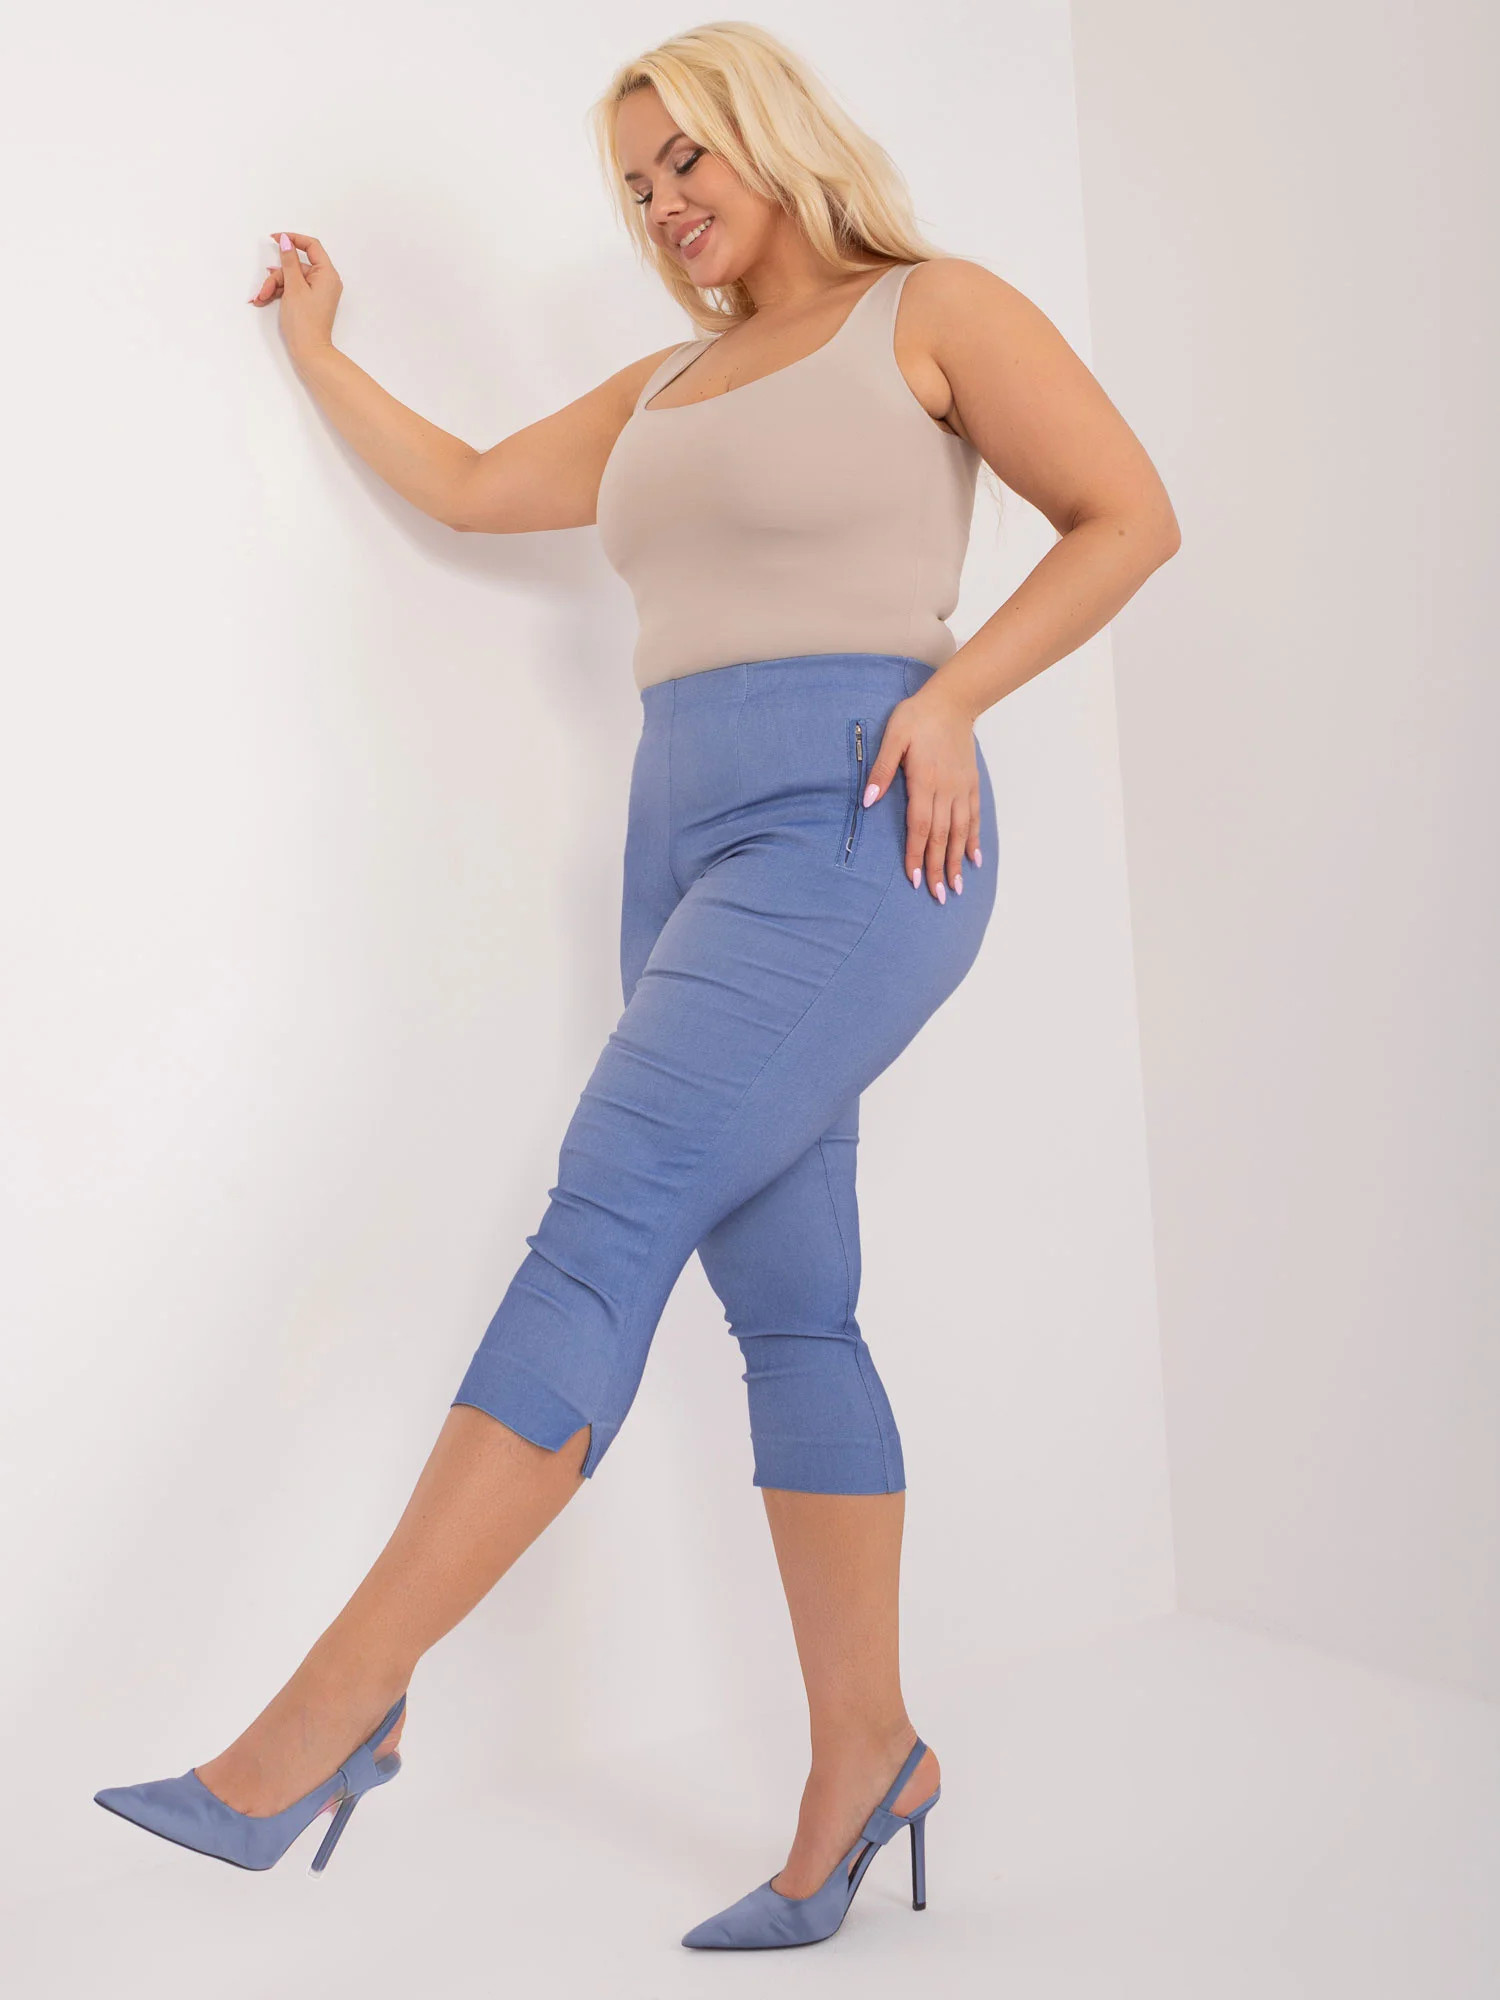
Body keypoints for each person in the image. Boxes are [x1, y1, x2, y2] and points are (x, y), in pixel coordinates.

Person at [92, 20, 1179, 1950]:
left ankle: (329, 1715)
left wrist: (955, 695)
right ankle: (872, 1760)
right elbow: (468, 485)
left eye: (688, 158)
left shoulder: (933, 311)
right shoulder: (665, 386)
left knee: (600, 1227)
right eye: (635, 183)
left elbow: (1130, 514)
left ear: (773, 137)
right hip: (679, 851)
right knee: (793, 1307)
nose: (665, 203)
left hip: (860, 821)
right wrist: (320, 350)